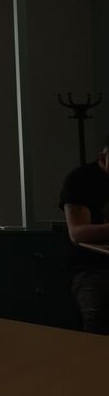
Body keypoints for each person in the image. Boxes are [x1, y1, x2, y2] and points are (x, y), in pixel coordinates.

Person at [60, 136, 109, 334]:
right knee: (97, 315)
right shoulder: (80, 180)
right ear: (103, 158)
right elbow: (77, 233)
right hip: (91, 268)